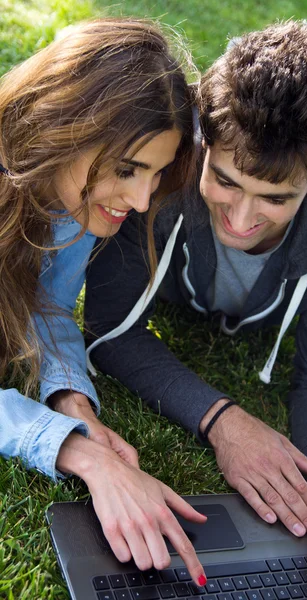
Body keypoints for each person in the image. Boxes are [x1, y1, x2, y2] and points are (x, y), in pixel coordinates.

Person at [85, 20, 307, 595]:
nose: (241, 217)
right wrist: (223, 421)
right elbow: (108, 331)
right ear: (205, 140)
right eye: (225, 181)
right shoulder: (159, 175)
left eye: (276, 198)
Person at [0, 18, 209, 584]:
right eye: (126, 170)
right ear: (63, 127)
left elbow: (45, 309)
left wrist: (74, 405)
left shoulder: (69, 200)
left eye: (157, 174)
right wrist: (81, 456)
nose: (143, 201)